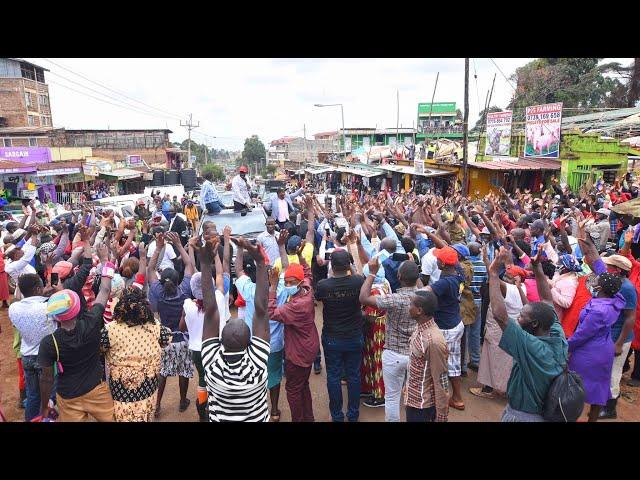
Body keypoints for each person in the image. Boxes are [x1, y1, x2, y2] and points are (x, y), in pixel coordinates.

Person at [36, 243, 115, 422]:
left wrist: (44, 408)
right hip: (97, 390)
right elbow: (104, 289)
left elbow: (47, 378)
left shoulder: (50, 343)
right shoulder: (92, 321)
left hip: (68, 396)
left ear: (56, 317)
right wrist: (105, 260)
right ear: (78, 307)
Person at [489, 247, 568, 422]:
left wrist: (494, 274)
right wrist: (537, 267)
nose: (517, 318)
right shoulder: (556, 335)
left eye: (521, 317)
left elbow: (500, 316)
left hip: (524, 417)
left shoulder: (532, 347)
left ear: (534, 324)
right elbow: (547, 300)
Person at [200, 235, 271, 422]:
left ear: (220, 341)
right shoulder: (257, 362)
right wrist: (260, 262)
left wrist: (205, 264)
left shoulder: (212, 363)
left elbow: (210, 312)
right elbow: (262, 311)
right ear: (250, 342)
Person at [359, 258, 420, 421]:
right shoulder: (423, 296)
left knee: (392, 398)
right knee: (414, 396)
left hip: (394, 354)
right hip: (415, 353)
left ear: (399, 277)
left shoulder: (394, 299)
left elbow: (363, 298)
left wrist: (372, 273)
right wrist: (414, 268)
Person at [100, 286, 172, 422]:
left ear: (120, 304)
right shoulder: (155, 326)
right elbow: (166, 339)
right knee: (145, 414)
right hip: (147, 385)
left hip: (121, 388)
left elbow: (101, 349)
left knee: (123, 416)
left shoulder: (109, 330)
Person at [267, 252, 320, 422]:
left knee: (293, 389)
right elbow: (308, 273)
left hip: (298, 353)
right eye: (286, 282)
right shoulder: (306, 288)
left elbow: (271, 312)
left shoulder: (297, 305)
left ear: (298, 282)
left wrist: (273, 287)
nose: (288, 285)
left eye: (291, 282)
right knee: (303, 385)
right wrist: (301, 256)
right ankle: (308, 417)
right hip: (308, 346)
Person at [148, 232, 195, 417]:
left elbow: (150, 269)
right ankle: (183, 401)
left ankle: (157, 405)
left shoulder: (158, 292)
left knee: (163, 372)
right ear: (177, 280)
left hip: (165, 339)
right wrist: (178, 245)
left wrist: (159, 248)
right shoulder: (184, 291)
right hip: (183, 339)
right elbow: (189, 265)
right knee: (183, 370)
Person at [315, 249, 365, 422]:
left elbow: (318, 298)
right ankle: (353, 414)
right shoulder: (358, 281)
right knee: (354, 376)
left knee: (334, 377)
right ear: (349, 265)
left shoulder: (323, 285)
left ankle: (337, 415)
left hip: (332, 338)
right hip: (354, 337)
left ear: (332, 266)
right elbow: (362, 281)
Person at [568, 272, 625, 421]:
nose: (593, 283)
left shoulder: (598, 311)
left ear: (600, 287)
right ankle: (592, 419)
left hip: (588, 352)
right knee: (599, 386)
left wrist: (566, 347)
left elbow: (582, 335)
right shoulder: (616, 300)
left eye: (596, 281)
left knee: (575, 388)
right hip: (604, 348)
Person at [8, 274, 56, 421]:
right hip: (46, 360)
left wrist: (41, 294)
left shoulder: (14, 308)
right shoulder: (48, 307)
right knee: (49, 397)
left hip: (27, 357)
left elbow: (25, 304)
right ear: (37, 289)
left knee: (33, 395)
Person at [424, 245, 466, 411]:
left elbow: (425, 293)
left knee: (438, 364)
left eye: (438, 259)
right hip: (455, 322)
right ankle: (457, 398)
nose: (436, 260)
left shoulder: (444, 283)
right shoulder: (458, 273)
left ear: (442, 264)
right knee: (453, 362)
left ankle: (439, 399)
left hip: (445, 328)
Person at [405, 290, 450, 422]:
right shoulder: (419, 328)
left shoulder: (433, 342)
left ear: (419, 311)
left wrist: (442, 413)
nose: (408, 307)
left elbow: (441, 379)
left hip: (422, 407)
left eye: (410, 305)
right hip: (413, 400)